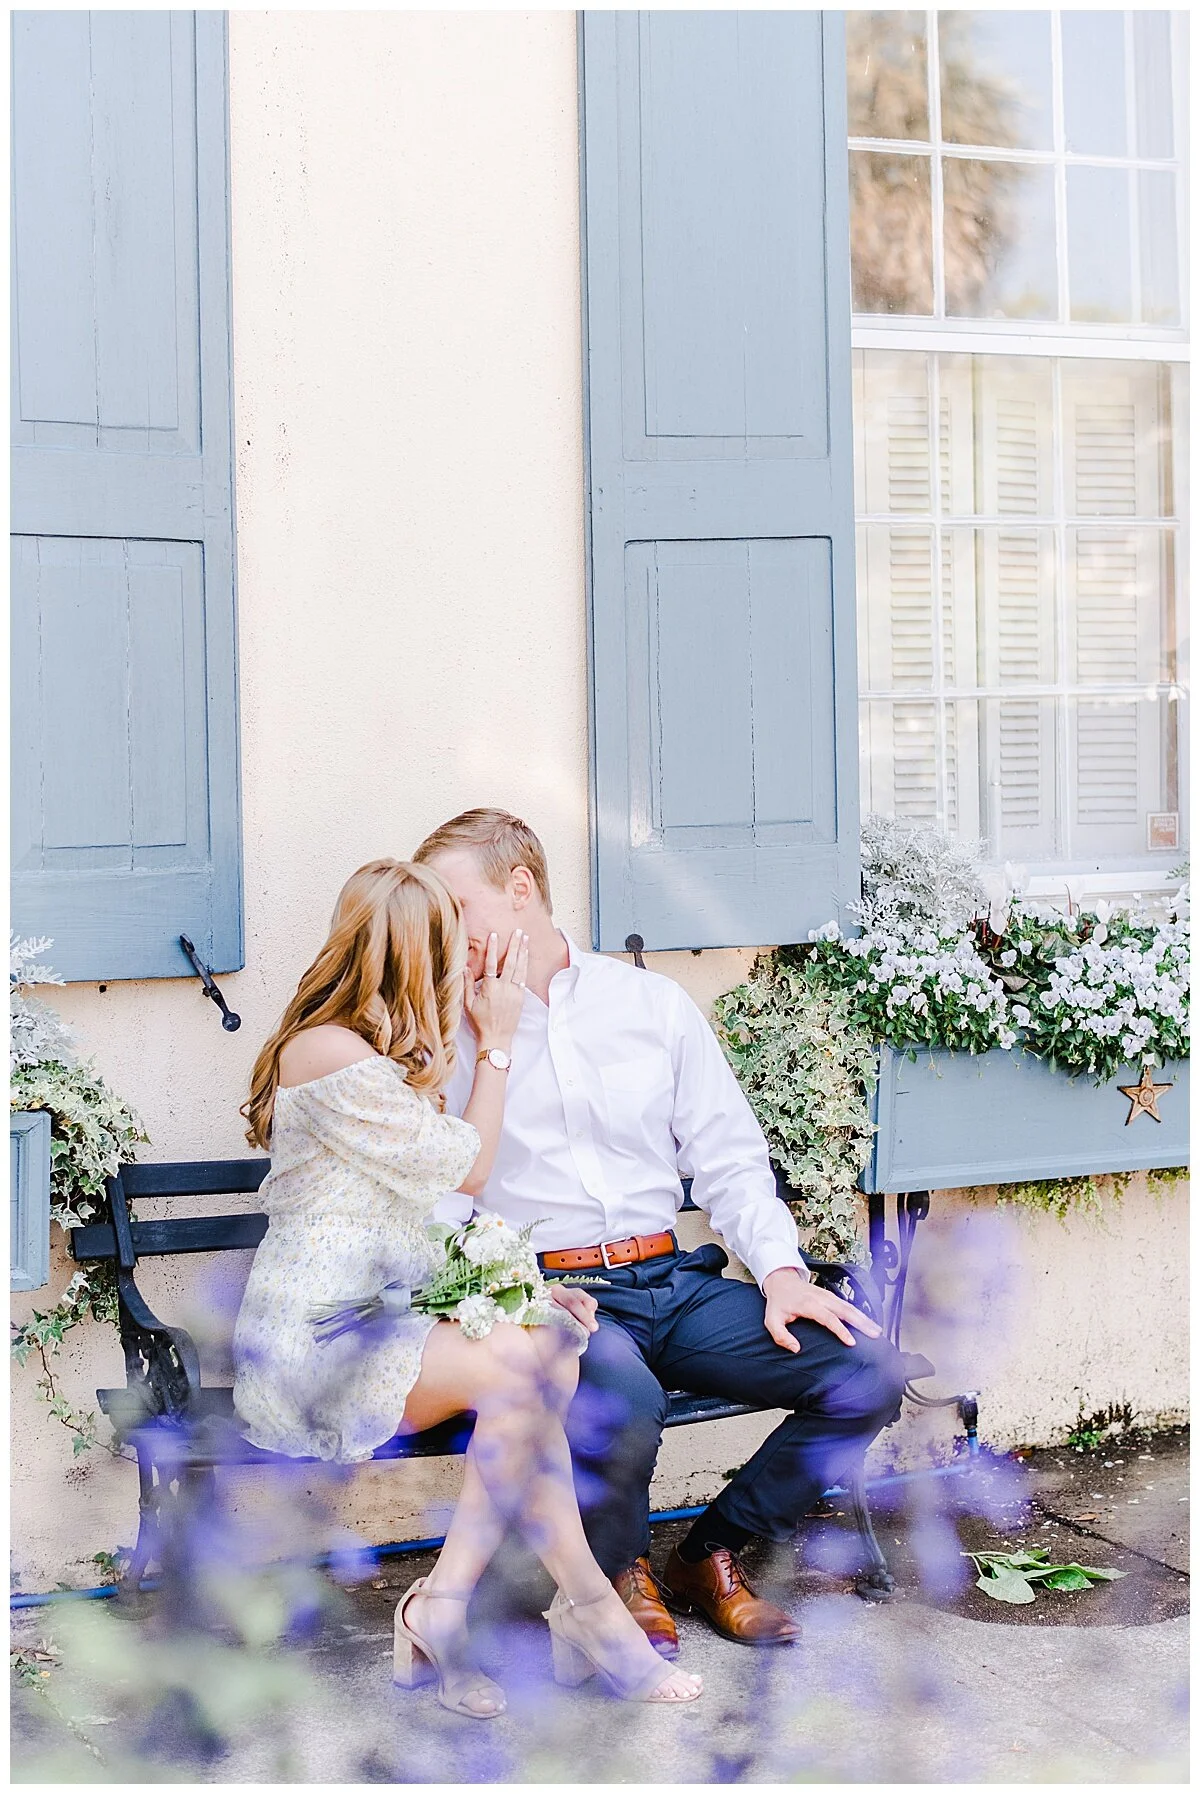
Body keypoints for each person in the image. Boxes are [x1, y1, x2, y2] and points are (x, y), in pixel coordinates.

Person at [416, 810, 910, 1655]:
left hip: (671, 1280)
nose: (442, 931)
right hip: (551, 1295)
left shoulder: (648, 1005)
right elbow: (439, 1194)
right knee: (623, 1402)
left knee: (868, 1373)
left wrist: (781, 1273)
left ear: (520, 888)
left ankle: (711, 1552)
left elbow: (728, 1157)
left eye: (454, 907)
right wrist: (499, 1301)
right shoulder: (443, 1029)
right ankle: (621, 1573)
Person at [232, 859, 702, 1714]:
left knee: (546, 1351)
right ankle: (581, 1608)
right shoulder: (328, 1052)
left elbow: (424, 1219)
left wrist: (528, 1293)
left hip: (380, 1318)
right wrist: (497, 1042)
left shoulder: (371, 1053)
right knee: (524, 1370)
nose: (468, 968)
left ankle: (455, 1607)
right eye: (452, 950)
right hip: (318, 1340)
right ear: (415, 952)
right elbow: (470, 1169)